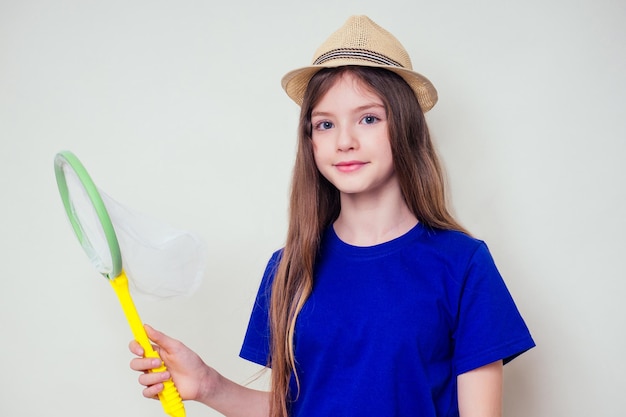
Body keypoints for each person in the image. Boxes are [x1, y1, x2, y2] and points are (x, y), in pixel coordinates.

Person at [129, 15, 535, 417]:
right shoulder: (288, 269)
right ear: (311, 142)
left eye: (369, 118)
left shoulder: (462, 265)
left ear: (406, 127)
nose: (344, 141)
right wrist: (208, 386)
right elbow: (293, 410)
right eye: (325, 124)